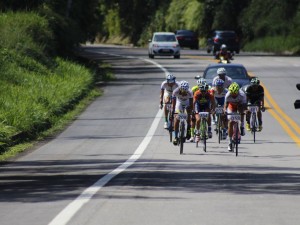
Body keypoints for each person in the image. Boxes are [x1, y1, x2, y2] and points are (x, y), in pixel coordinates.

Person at [224, 82, 246, 152]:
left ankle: (242, 126)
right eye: (232, 94)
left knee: (242, 111)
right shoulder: (228, 95)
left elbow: (244, 106)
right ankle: (230, 142)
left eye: (235, 94)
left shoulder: (242, 95)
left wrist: (244, 111)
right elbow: (226, 104)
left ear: (238, 92)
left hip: (240, 105)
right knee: (230, 122)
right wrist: (224, 110)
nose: (233, 95)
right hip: (231, 106)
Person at [172, 81, 193, 145]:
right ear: (180, 89)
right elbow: (174, 102)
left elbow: (191, 103)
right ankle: (175, 137)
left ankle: (188, 131)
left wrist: (190, 111)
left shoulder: (190, 92)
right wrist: (173, 111)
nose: (184, 92)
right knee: (176, 119)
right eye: (183, 91)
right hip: (179, 102)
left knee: (188, 117)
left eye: (185, 91)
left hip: (187, 103)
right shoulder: (175, 91)